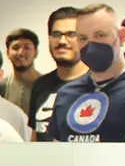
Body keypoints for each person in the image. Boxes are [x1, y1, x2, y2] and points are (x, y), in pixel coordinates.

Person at [43, 4, 125, 143]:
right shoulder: (66, 94)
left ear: (121, 36)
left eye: (100, 35)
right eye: (83, 38)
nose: (91, 45)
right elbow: (58, 153)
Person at [27, 8, 85, 138]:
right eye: (57, 34)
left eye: (71, 34)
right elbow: (35, 136)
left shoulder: (97, 84)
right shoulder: (41, 84)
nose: (62, 41)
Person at [3, 28, 39, 115]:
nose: (21, 53)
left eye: (27, 48)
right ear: (7, 53)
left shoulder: (48, 85)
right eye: (15, 48)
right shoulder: (2, 87)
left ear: (36, 52)